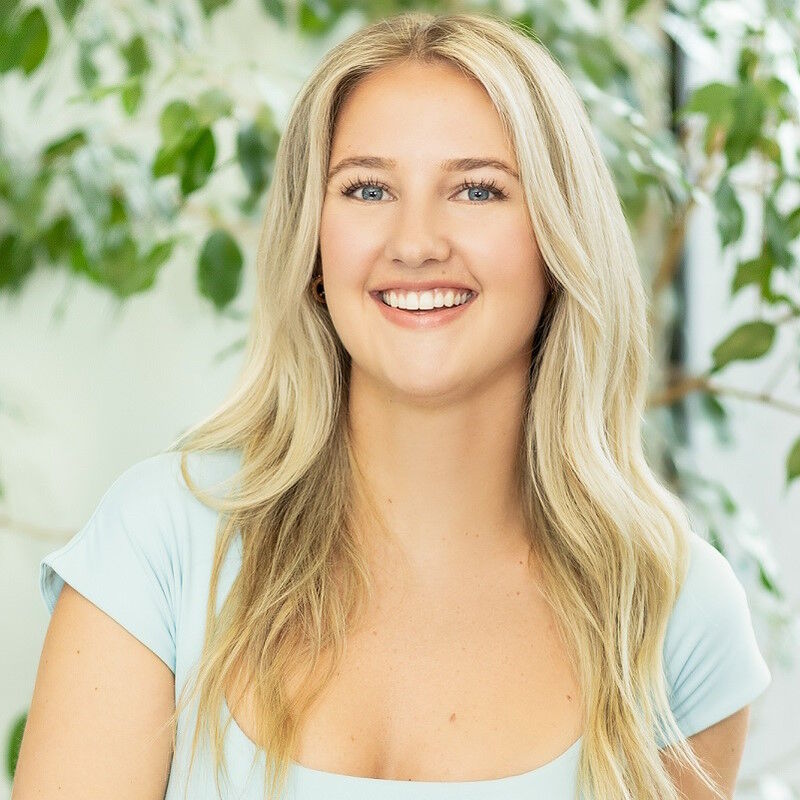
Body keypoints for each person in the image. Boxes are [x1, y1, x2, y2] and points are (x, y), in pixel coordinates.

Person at [13, 10, 771, 800]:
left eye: (477, 189)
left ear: (557, 240)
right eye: (368, 189)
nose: (415, 243)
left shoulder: (672, 614)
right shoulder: (160, 546)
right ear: (314, 246)